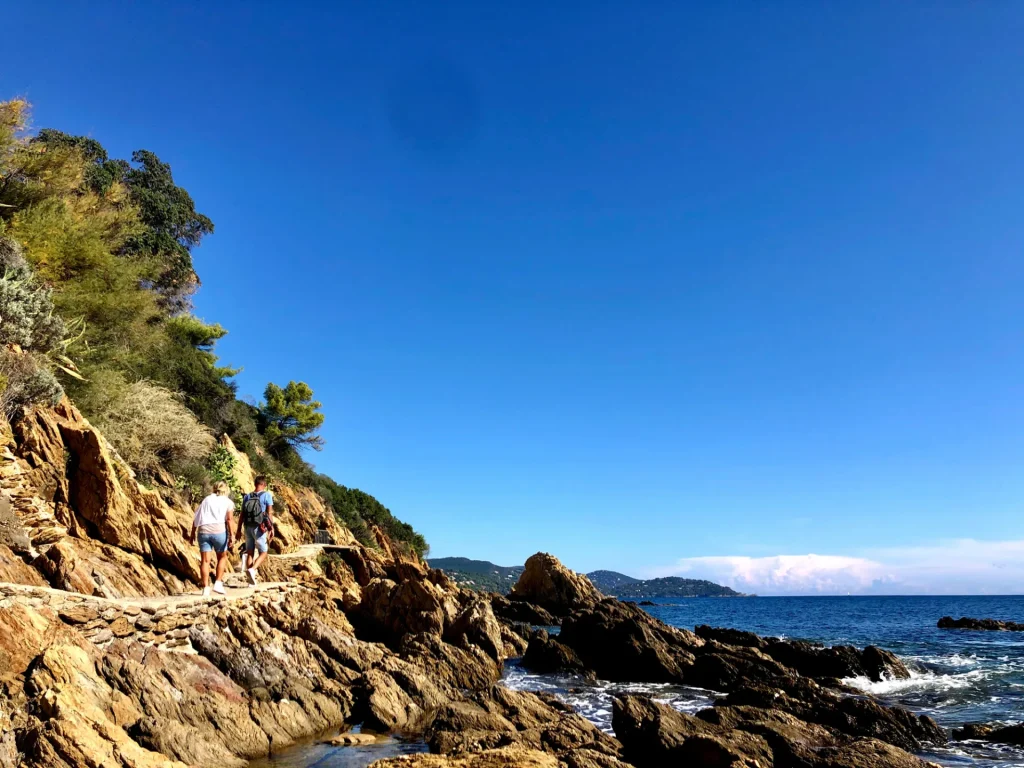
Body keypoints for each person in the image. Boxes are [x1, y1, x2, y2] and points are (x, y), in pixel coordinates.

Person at [189, 481, 235, 597]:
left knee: (205, 561)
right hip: (219, 530)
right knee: (222, 557)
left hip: (204, 530)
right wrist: (232, 535)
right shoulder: (228, 502)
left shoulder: (207, 499)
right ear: (226, 490)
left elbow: (196, 517)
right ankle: (218, 583)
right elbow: (229, 519)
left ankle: (205, 588)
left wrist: (192, 534)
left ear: (214, 489)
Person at [237, 475, 274, 585]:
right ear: (264, 485)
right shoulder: (267, 495)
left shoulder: (247, 497)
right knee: (264, 552)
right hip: (259, 527)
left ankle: (250, 582)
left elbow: (242, 514)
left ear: (255, 484)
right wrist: (271, 528)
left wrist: (239, 529)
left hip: (247, 526)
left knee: (250, 553)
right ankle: (252, 570)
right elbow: (269, 513)